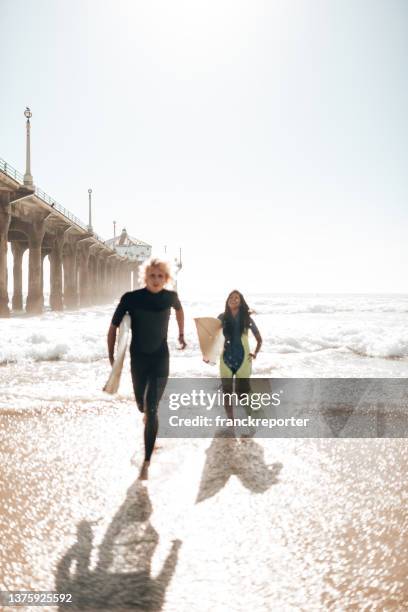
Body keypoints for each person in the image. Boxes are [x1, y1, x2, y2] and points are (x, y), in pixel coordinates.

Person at [107, 258, 186, 480]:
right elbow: (113, 327)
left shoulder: (171, 297)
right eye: (152, 275)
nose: (156, 279)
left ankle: (147, 460)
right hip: (138, 359)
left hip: (161, 358)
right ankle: (147, 417)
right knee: (142, 407)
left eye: (161, 276)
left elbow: (180, 311)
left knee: (152, 408)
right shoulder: (131, 298)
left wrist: (181, 334)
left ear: (167, 278)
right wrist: (112, 357)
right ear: (145, 277)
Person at [217, 290, 262, 419]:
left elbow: (259, 339)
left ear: (241, 302)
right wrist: (208, 354)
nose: (233, 299)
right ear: (227, 301)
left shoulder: (246, 319)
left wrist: (255, 352)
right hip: (225, 359)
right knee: (227, 393)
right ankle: (231, 421)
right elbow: (212, 338)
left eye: (237, 298)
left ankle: (253, 417)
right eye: (231, 297)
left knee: (243, 393)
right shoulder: (221, 317)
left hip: (243, 360)